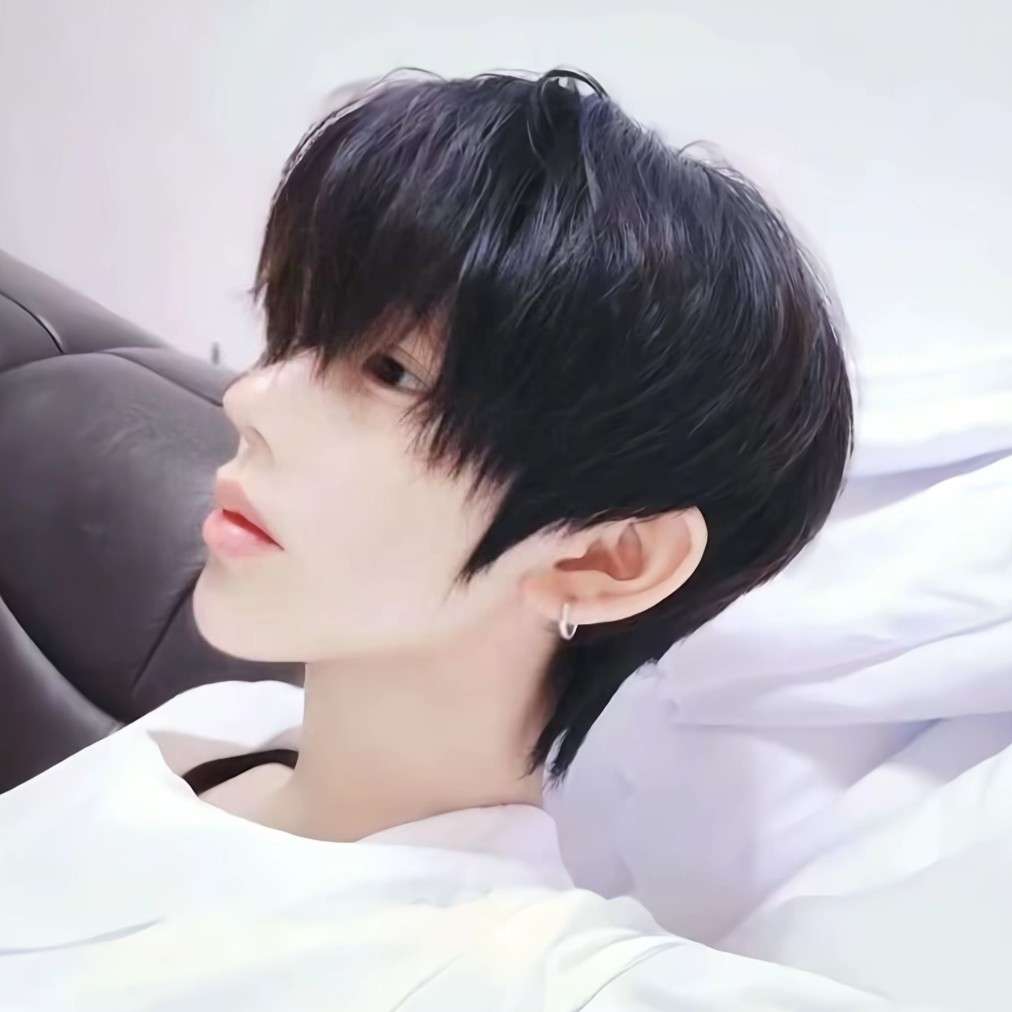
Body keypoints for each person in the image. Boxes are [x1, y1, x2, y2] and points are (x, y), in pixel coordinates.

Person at [5, 66, 928, 1010]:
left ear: (604, 561)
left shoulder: (538, 975)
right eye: (292, 335)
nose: (248, 399)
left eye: (391, 372)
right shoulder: (210, 735)